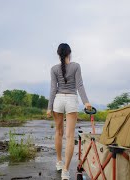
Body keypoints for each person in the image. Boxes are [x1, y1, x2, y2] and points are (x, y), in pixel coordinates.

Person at [47, 43, 91, 180]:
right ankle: (65, 171)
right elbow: (80, 85)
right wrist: (86, 102)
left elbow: (53, 89)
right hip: (71, 100)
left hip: (58, 100)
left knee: (58, 132)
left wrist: (49, 107)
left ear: (58, 54)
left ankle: (59, 162)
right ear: (69, 53)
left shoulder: (53, 69)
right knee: (70, 136)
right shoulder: (76, 66)